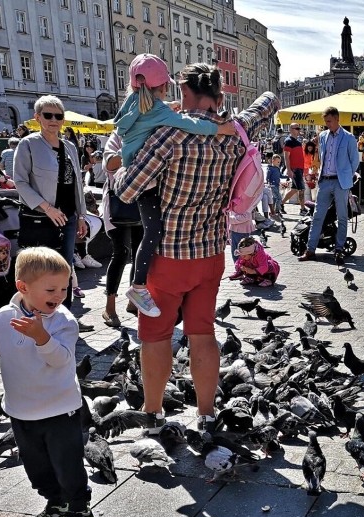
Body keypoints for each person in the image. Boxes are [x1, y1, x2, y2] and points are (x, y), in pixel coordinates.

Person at [115, 62, 278, 435]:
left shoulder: (168, 135)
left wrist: (119, 166)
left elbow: (126, 190)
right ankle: (205, 414)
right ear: (218, 93)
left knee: (155, 337)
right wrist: (237, 107)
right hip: (209, 254)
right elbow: (269, 102)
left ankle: (153, 415)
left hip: (168, 255)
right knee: (203, 333)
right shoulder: (235, 129)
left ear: (185, 92)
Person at [0, 247, 95, 517]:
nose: (60, 295)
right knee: (37, 467)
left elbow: (61, 360)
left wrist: (42, 337)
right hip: (21, 411)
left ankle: (79, 511)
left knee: (68, 465)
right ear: (23, 287)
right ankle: (55, 505)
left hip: (60, 410)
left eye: (65, 288)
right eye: (51, 289)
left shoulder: (63, 321)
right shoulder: (3, 317)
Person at [114, 53, 229, 319]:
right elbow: (188, 123)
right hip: (146, 181)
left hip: (133, 165)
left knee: (150, 229)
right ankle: (138, 285)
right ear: (163, 87)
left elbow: (155, 116)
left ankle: (140, 285)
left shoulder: (133, 104)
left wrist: (169, 109)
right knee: (153, 231)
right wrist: (219, 130)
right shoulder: (158, 111)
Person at [12, 95, 90, 325]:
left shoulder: (69, 147)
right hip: (41, 217)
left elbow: (76, 184)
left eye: (58, 115)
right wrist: (47, 208)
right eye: (48, 115)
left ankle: (63, 320)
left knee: (64, 270)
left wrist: (81, 215)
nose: (53, 120)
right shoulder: (28, 144)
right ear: (37, 117)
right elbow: (20, 182)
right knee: (40, 271)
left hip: (68, 217)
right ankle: (35, 319)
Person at [298, 107, 359, 262]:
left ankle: (339, 249)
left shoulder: (349, 138)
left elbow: (355, 162)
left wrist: (346, 177)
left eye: (329, 121)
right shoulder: (323, 136)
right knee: (318, 216)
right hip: (325, 180)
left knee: (342, 217)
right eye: (325, 122)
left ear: (337, 119)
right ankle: (310, 249)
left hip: (340, 182)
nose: (327, 124)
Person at [100, 132, 144, 327]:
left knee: (139, 254)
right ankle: (109, 307)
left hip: (142, 204)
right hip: (118, 205)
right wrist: (133, 143)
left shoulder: (151, 130)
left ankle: (133, 301)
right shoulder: (118, 135)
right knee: (121, 253)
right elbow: (109, 165)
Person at [281, 123, 307, 214]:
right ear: (291, 129)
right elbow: (286, 157)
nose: (299, 130)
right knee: (301, 189)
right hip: (295, 168)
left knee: (295, 189)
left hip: (299, 168)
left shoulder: (297, 141)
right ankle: (303, 209)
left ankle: (281, 204)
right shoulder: (288, 141)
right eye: (297, 128)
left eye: (299, 128)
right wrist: (288, 169)